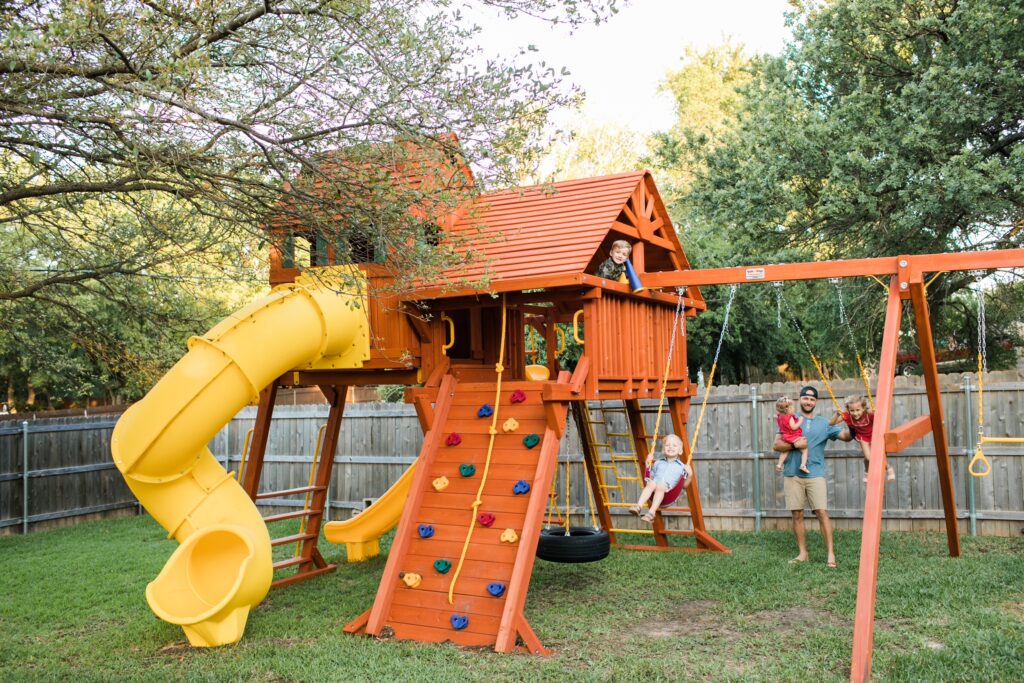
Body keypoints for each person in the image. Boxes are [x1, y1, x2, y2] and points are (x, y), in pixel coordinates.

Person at [773, 385, 852, 568]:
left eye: (812, 399)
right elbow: (776, 446)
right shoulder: (788, 419)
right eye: (805, 398)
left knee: (822, 512)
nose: (808, 401)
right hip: (792, 473)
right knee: (797, 514)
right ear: (800, 399)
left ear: (816, 402)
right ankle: (803, 553)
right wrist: (795, 445)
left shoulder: (824, 424)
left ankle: (830, 554)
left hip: (815, 474)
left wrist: (853, 422)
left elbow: (845, 436)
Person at [831, 395, 894, 483]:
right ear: (848, 410)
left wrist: (874, 411)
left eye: (858, 410)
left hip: (874, 435)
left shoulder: (868, 414)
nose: (855, 413)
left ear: (863, 408)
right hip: (862, 437)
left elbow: (881, 416)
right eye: (852, 410)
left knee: (875, 456)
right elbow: (831, 423)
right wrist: (836, 415)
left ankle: (888, 468)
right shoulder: (847, 416)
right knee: (868, 457)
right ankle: (869, 471)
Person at [630, 434, 691, 523]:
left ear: (680, 451)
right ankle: (638, 506)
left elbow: (684, 486)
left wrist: (690, 475)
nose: (670, 447)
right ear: (663, 450)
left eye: (674, 445)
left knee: (660, 486)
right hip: (654, 488)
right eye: (667, 445)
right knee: (651, 483)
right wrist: (648, 465)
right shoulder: (658, 463)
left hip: (669, 494)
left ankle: (651, 513)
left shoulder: (682, 467)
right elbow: (650, 477)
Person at [775, 397, 810, 474]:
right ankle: (803, 465)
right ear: (787, 409)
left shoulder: (780, 417)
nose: (794, 409)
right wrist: (800, 421)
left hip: (785, 436)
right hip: (792, 436)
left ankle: (779, 464)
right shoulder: (789, 417)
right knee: (805, 449)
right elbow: (794, 427)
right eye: (793, 407)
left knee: (785, 450)